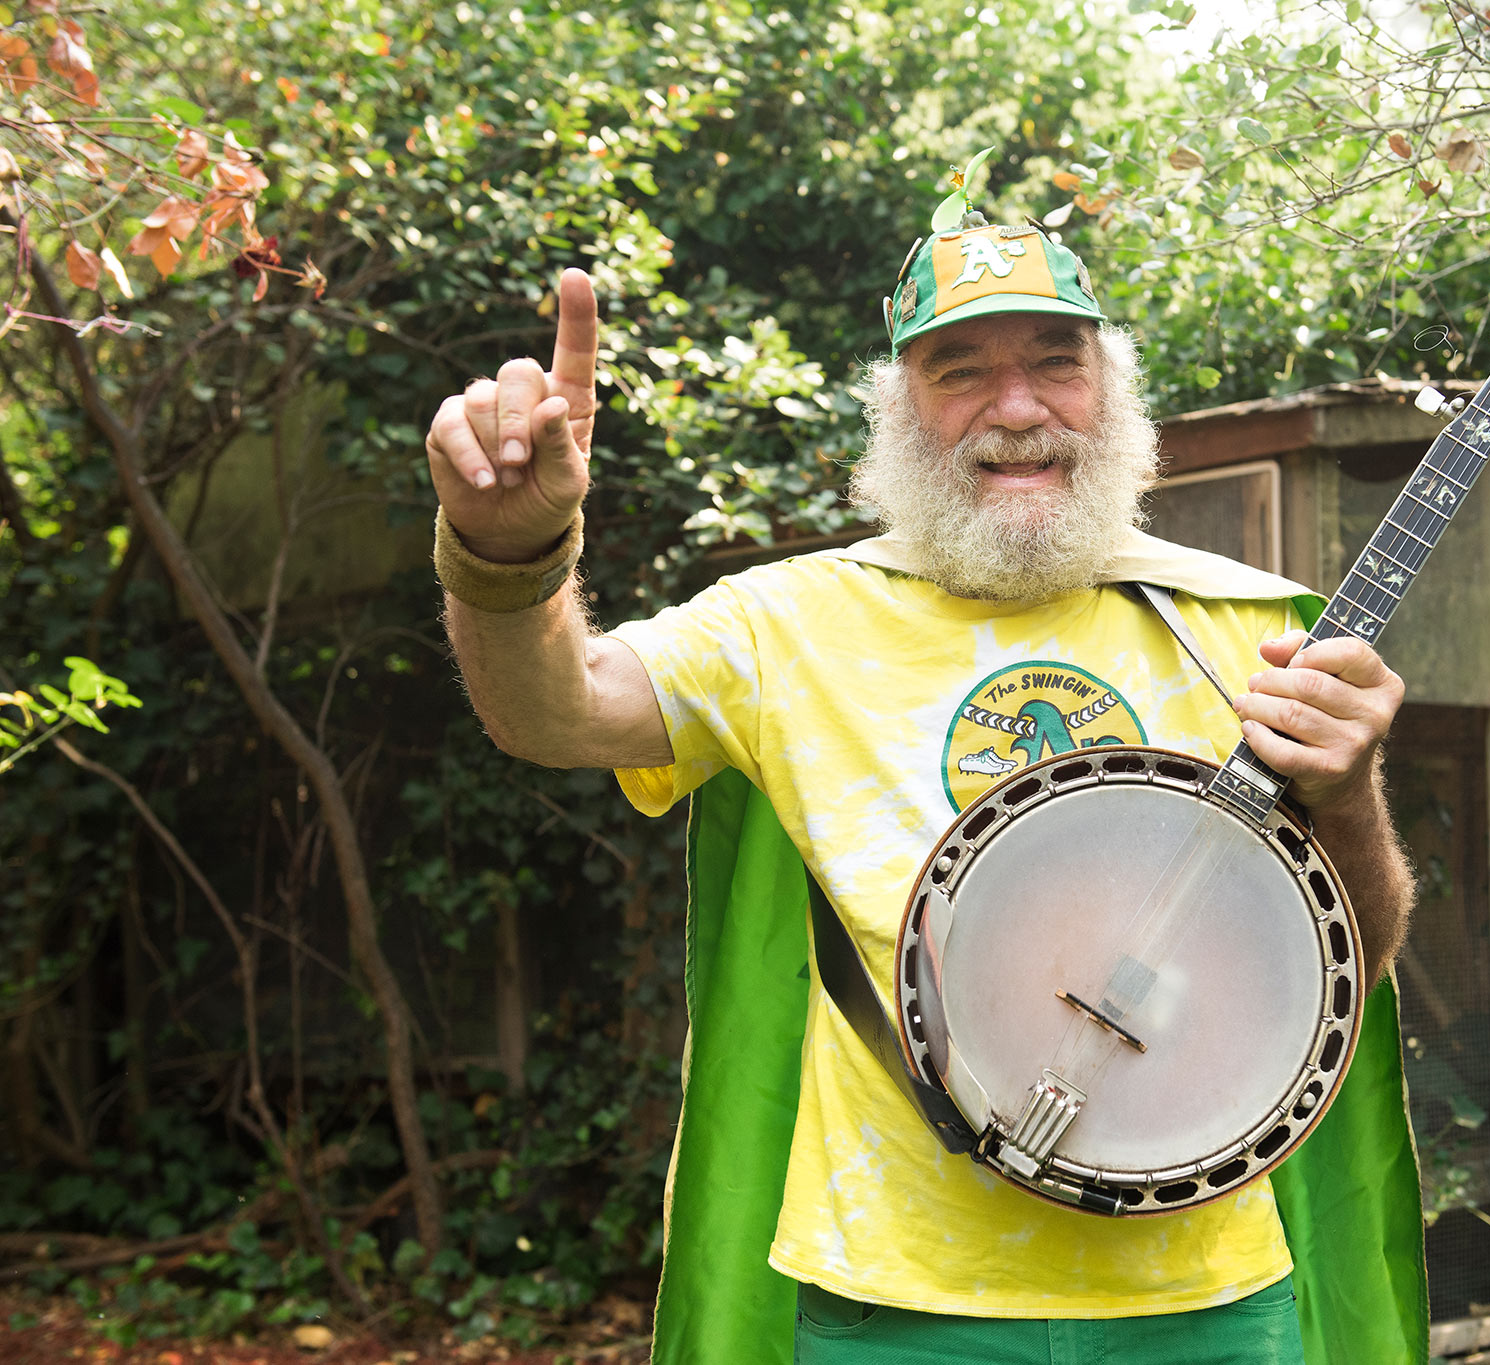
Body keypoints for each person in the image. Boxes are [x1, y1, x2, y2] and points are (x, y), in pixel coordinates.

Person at [425, 220, 1427, 1365]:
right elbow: (553, 713)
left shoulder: (1247, 632)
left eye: (1055, 361)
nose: (1015, 407)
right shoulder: (785, 624)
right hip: (893, 1312)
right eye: (961, 372)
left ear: (1112, 389)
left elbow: (1358, 956)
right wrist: (508, 558)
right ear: (897, 409)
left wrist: (1345, 799)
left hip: (1201, 1306)